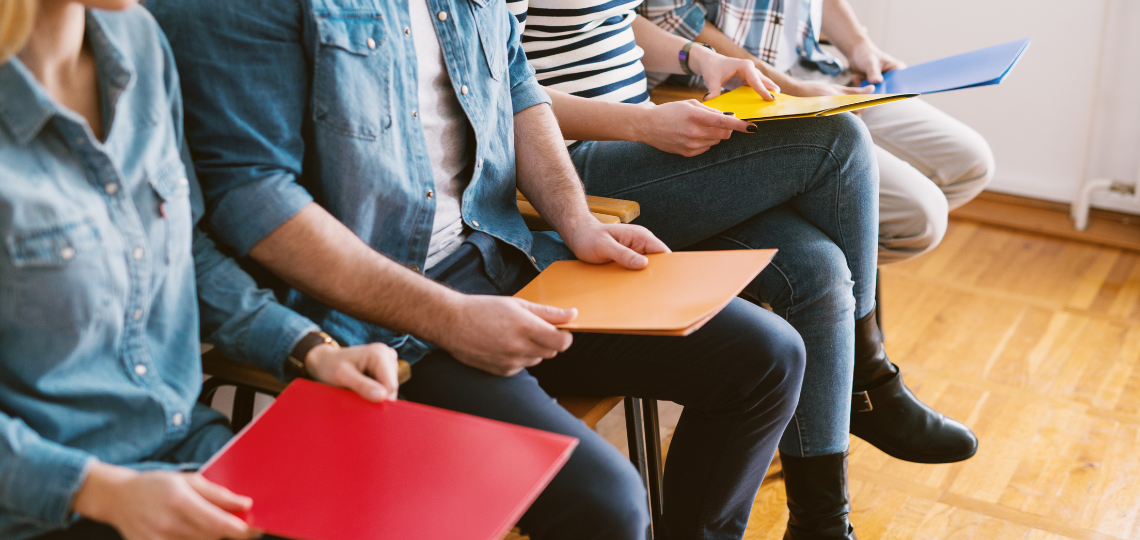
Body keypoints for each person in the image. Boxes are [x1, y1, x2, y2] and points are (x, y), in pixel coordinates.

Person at [147, 0, 809, 538]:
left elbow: (516, 83)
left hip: (501, 254)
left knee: (770, 357)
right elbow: (250, 196)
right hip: (378, 322)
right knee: (607, 504)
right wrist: (450, 317)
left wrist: (576, 222)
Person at [503, 0, 980, 537]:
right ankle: (869, 382)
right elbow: (503, 85)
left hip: (633, 138)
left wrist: (695, 55)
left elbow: (608, 19)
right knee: (839, 140)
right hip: (572, 163)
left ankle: (822, 524)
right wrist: (642, 124)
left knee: (819, 269)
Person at [0, 1, 410, 539]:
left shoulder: (138, 39)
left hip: (190, 453)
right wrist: (103, 491)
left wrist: (311, 348)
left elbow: (183, 252)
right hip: (49, 508)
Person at [638, 0, 996, 266]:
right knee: (917, 217)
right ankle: (818, 295)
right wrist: (787, 86)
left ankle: (823, 282)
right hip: (735, 92)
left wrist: (859, 46)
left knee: (970, 162)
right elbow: (674, 18)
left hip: (817, 70)